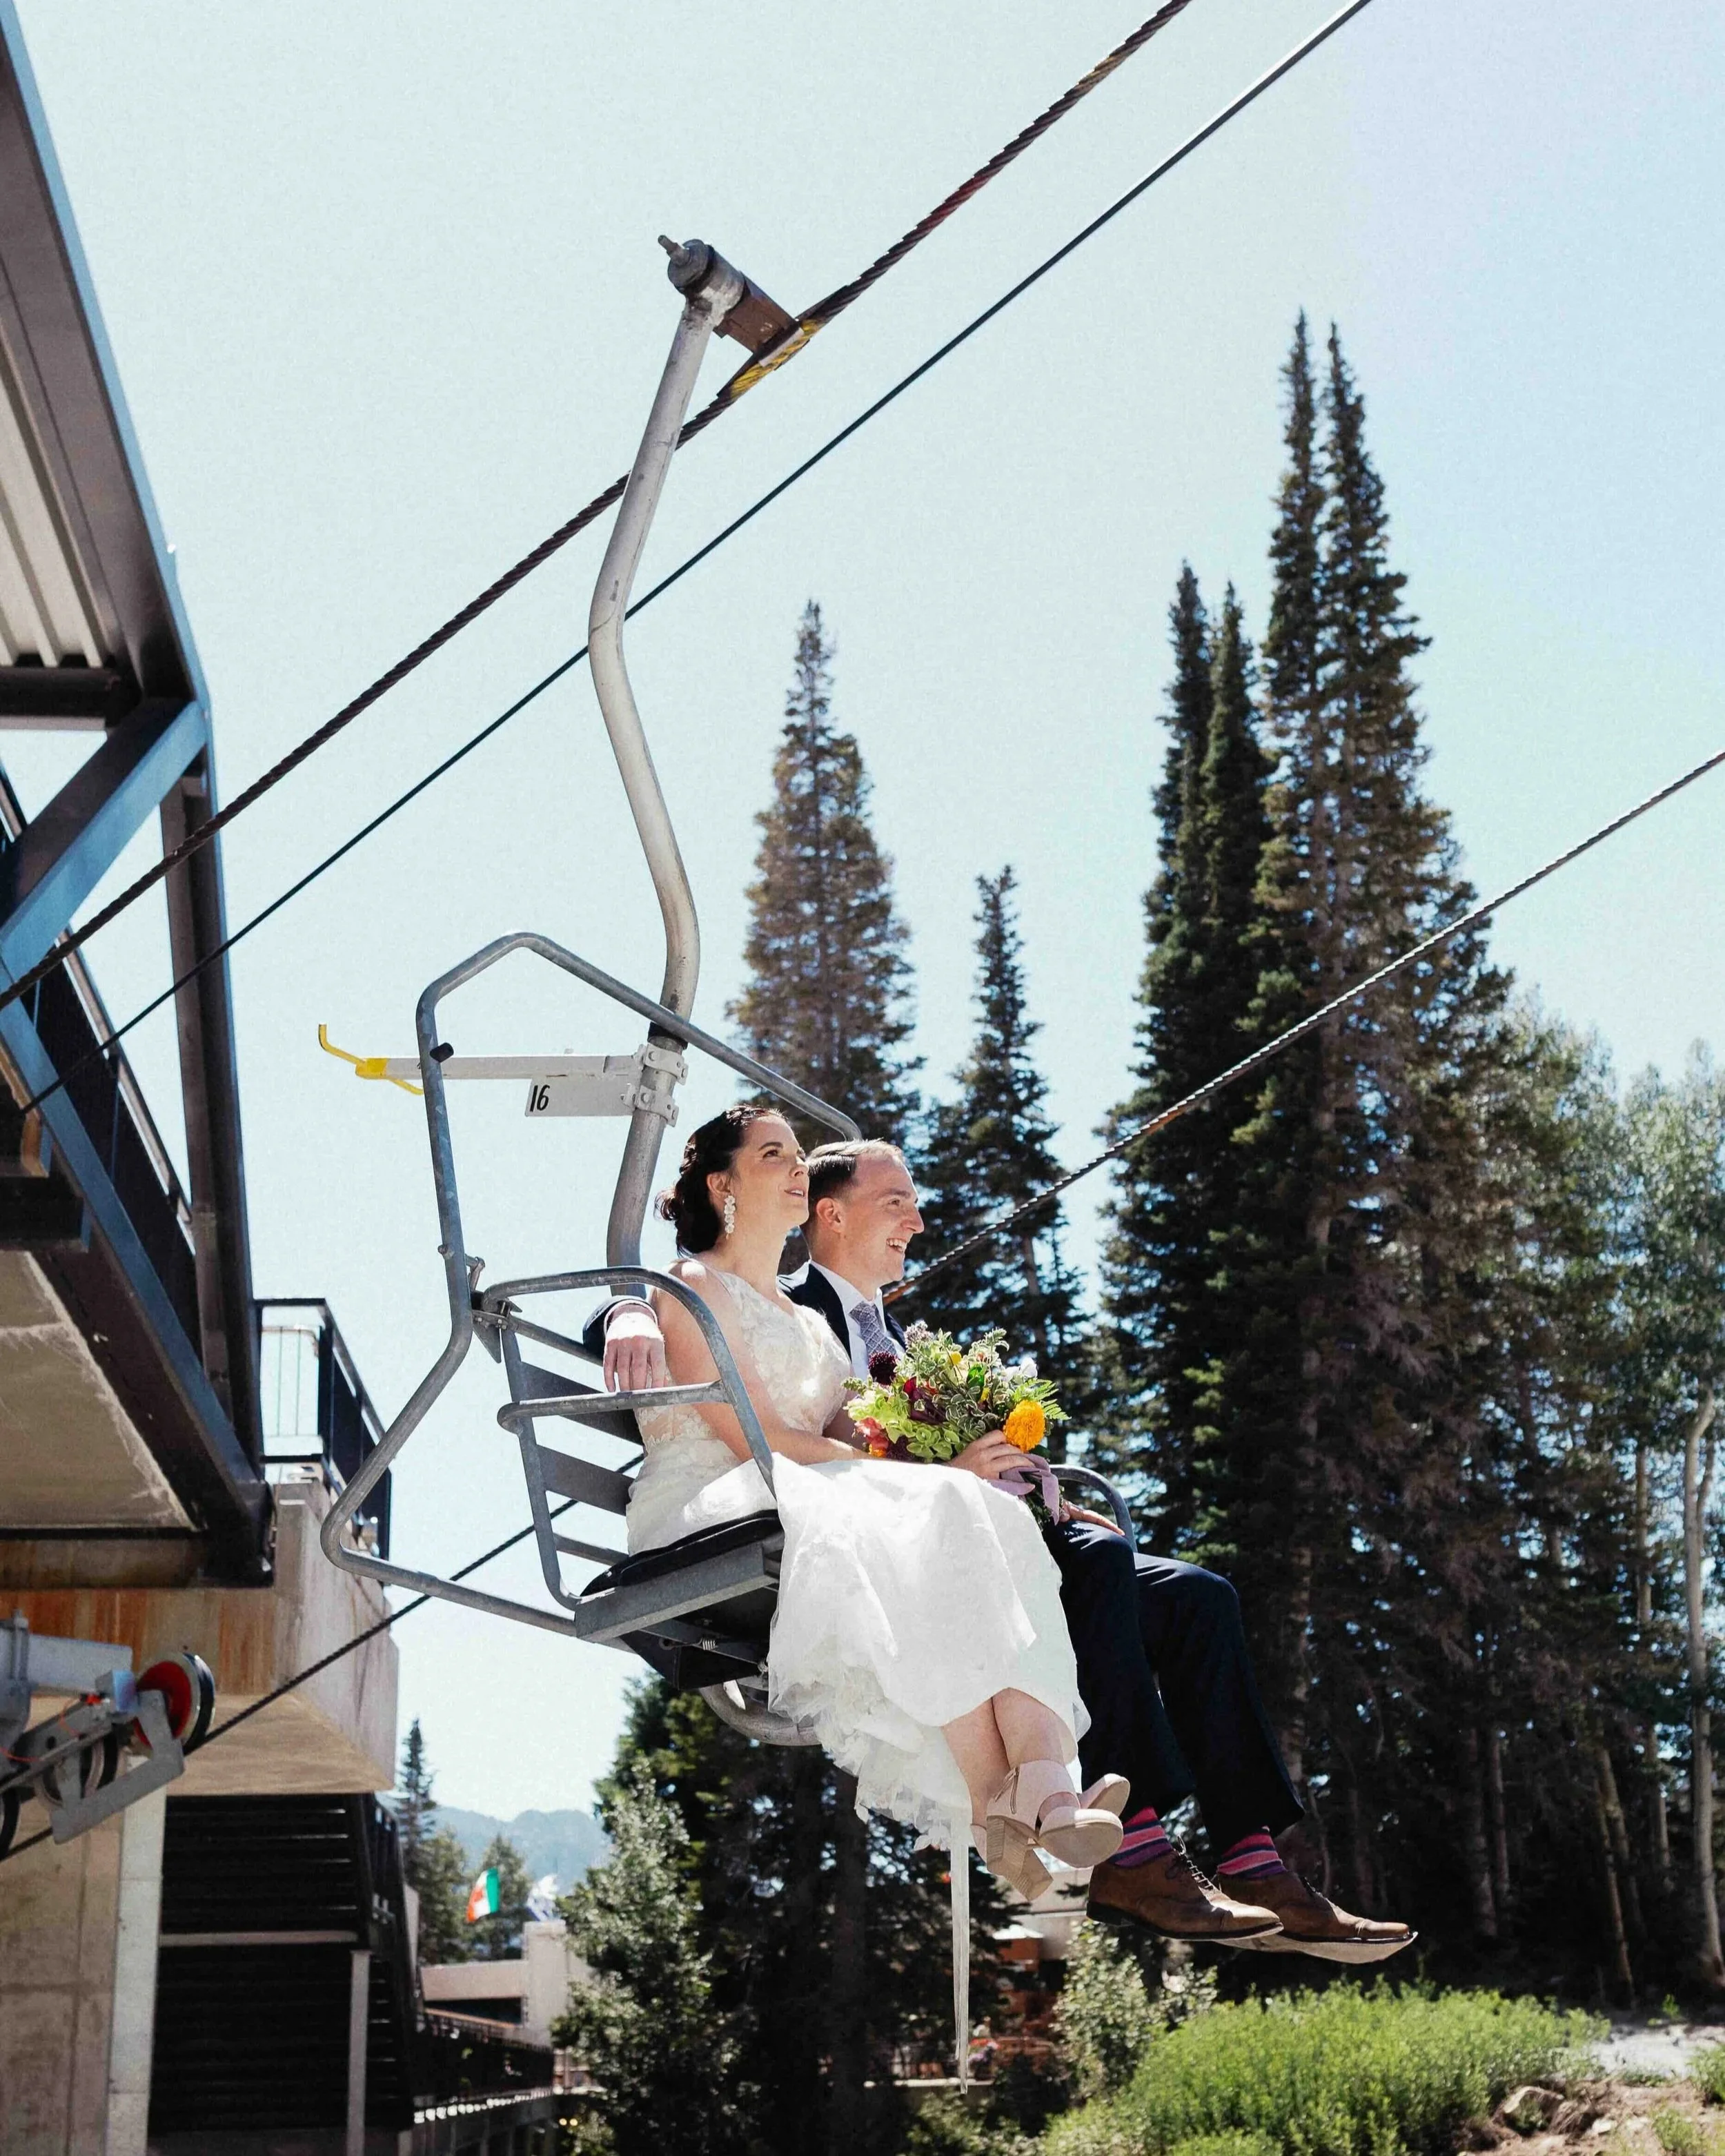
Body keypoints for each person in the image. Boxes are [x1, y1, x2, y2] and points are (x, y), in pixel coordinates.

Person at [599, 1134, 1414, 1964]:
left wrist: (1039, 1489)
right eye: (896, 1203)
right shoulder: (780, 1293)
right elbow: (659, 1301)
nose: (916, 1222)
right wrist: (627, 1306)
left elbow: (901, 1440)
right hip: (891, 1527)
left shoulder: (884, 1330)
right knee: (1096, 1571)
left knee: (1198, 1597)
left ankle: (1253, 1855)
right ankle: (1129, 1845)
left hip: (948, 1519)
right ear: (830, 1215)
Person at [618, 1101, 1127, 1906]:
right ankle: (1012, 1795)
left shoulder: (810, 1327)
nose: (795, 1167)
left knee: (982, 1510)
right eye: (773, 1154)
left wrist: (961, 1445)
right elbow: (757, 1436)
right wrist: (908, 1474)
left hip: (793, 1483)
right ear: (723, 1184)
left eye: (798, 1155)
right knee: (941, 1503)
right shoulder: (687, 1289)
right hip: (714, 1498)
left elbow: (850, 1436)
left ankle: (1043, 1784)